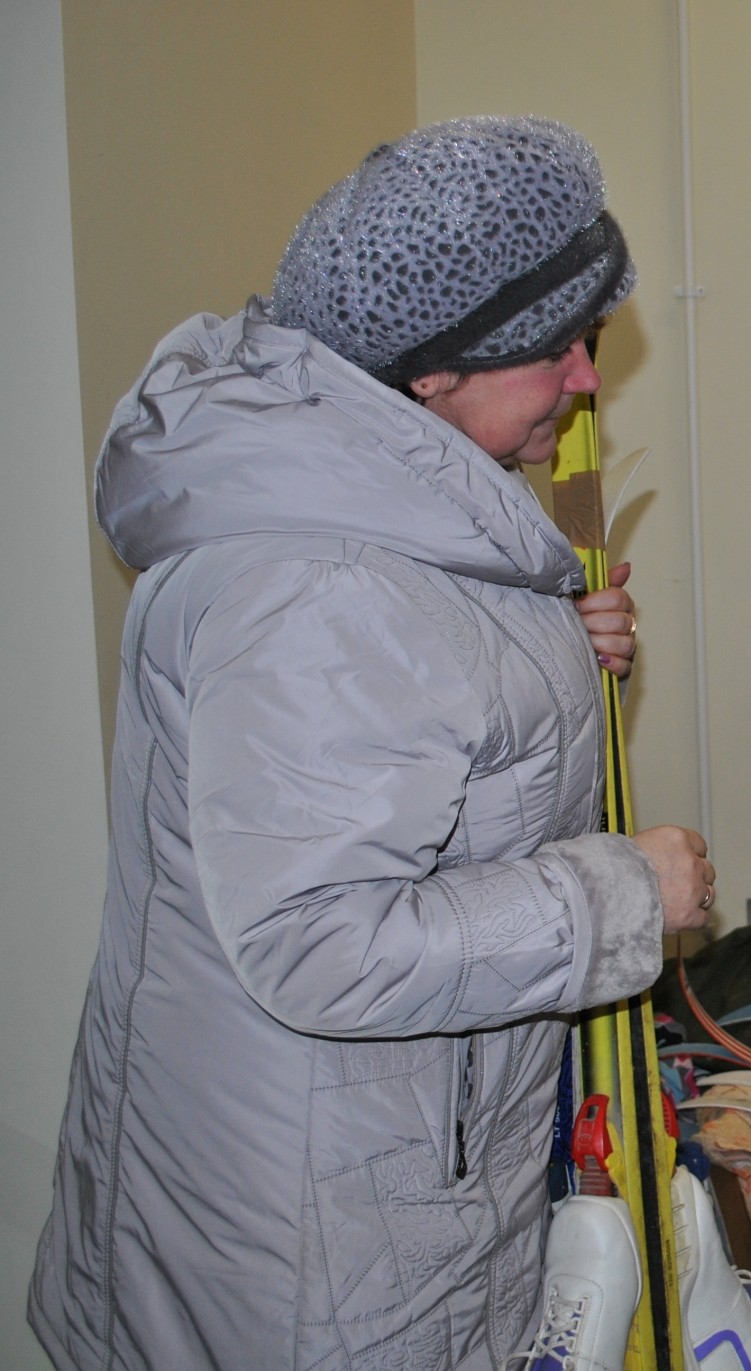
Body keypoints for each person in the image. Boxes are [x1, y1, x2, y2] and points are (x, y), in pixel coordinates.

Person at [30, 116, 714, 1370]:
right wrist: (625, 893)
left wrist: (560, 650)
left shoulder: (387, 503)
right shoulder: (314, 587)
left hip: (366, 1192)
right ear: (431, 372)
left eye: (588, 342)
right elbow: (321, 942)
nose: (583, 382)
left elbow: (432, 757)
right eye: (553, 352)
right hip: (312, 1255)